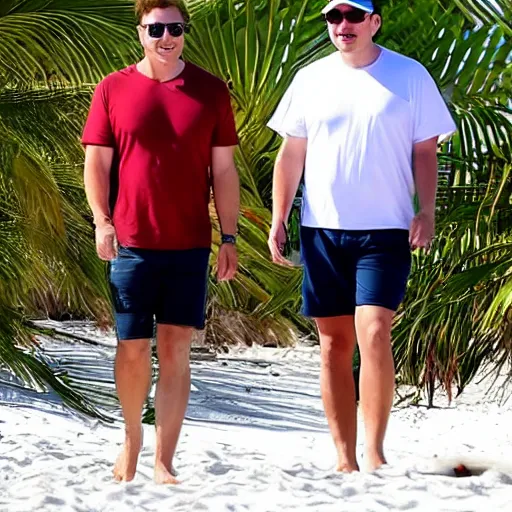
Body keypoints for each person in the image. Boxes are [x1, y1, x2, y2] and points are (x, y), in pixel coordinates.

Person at [267, 0, 456, 472]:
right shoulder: (310, 79)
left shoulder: (409, 76)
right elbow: (291, 154)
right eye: (335, 17)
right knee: (333, 343)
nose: (344, 26)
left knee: (373, 331)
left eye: (354, 16)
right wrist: (278, 217)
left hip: (385, 230)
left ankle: (374, 452)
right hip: (322, 230)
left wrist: (426, 210)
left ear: (374, 22)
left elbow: (426, 151)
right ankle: (344, 458)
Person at [82, 0, 240, 484]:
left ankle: (164, 460)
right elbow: (97, 164)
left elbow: (225, 170)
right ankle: (132, 441)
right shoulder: (112, 89)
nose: (166, 37)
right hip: (131, 242)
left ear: (184, 31)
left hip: (190, 244)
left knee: (175, 348)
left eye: (175, 28)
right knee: (132, 347)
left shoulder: (211, 91)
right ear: (140, 32)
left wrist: (229, 236)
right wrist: (101, 221)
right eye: (156, 29)